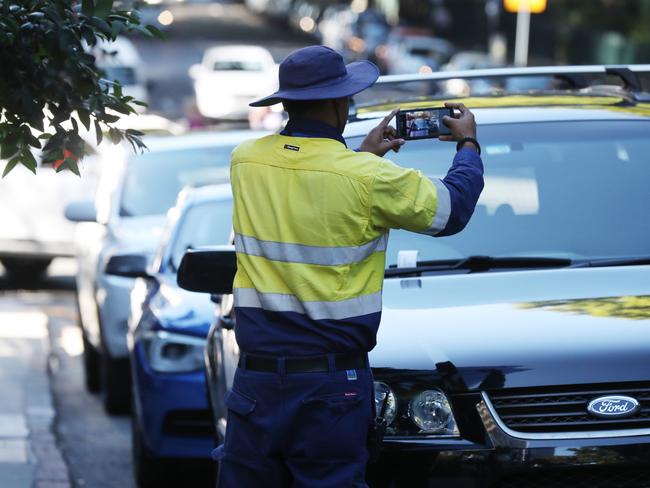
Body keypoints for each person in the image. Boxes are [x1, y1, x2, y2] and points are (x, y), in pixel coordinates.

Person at [215, 45, 483, 487]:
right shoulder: (367, 178)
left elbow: (306, 188)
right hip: (331, 387)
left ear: (286, 102)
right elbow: (451, 211)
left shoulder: (245, 161)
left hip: (257, 384)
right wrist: (468, 143)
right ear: (341, 102)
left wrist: (361, 154)